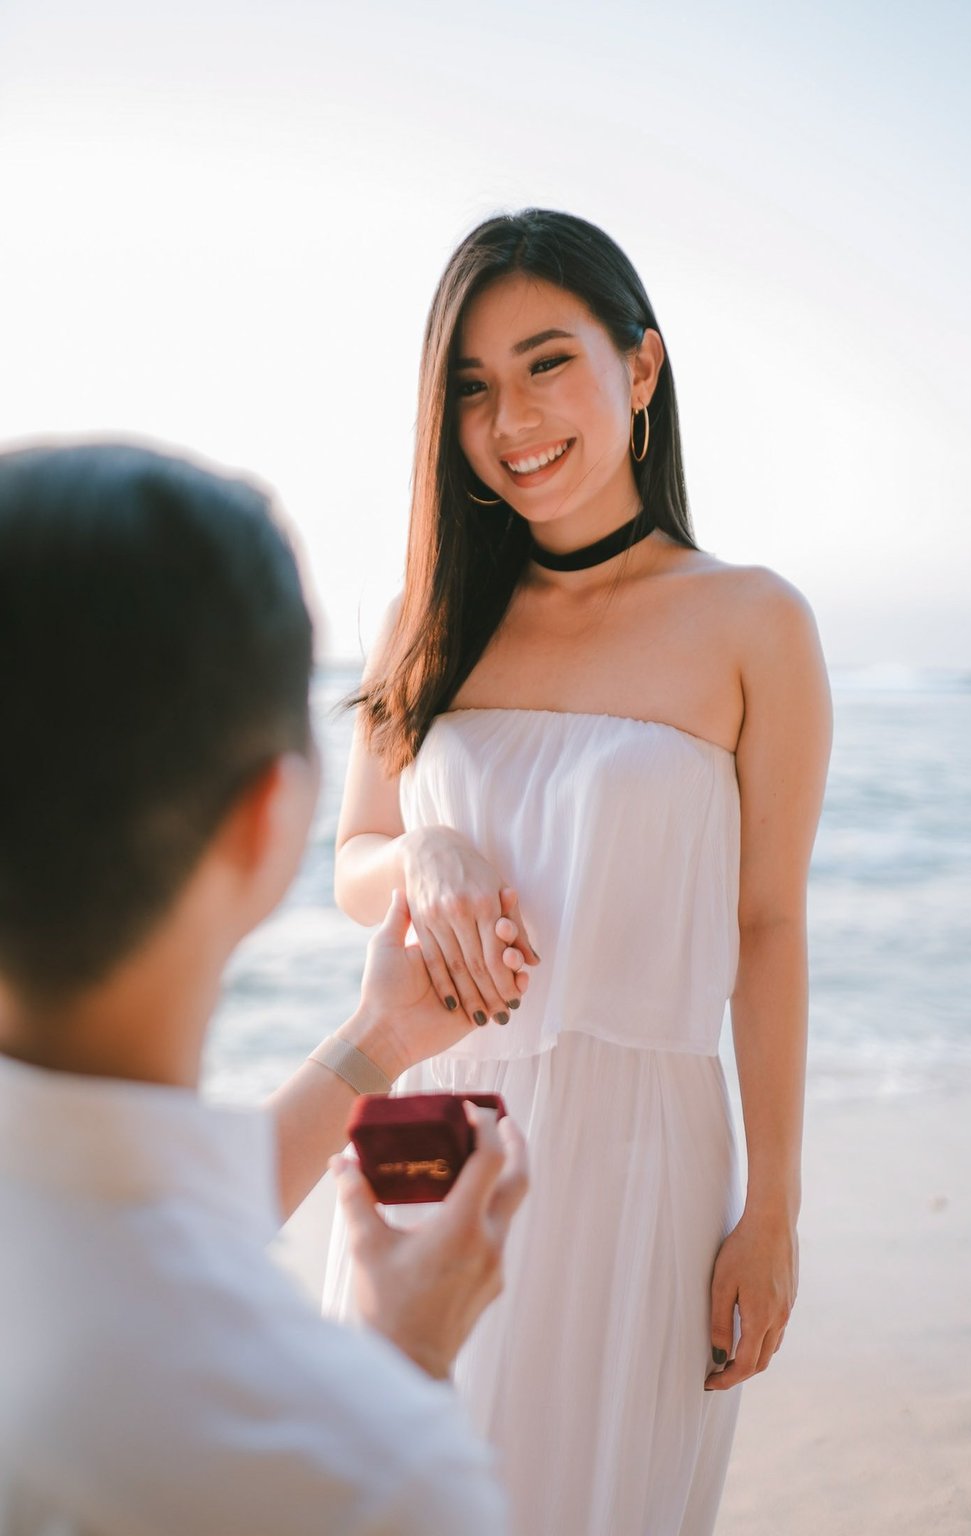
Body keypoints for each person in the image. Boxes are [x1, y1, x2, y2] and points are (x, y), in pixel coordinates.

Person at [324, 208, 833, 1535]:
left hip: (640, 1151)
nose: (513, 418)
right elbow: (354, 866)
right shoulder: (424, 619)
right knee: (389, 1496)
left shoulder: (752, 622)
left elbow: (769, 925)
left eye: (550, 362)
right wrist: (428, 853)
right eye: (476, 387)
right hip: (427, 1131)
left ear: (642, 370)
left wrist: (771, 1209)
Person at [0, 441, 530, 1536]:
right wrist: (403, 1370)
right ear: (269, 824)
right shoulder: (367, 1472)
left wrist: (377, 1039)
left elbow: (113, 1213)